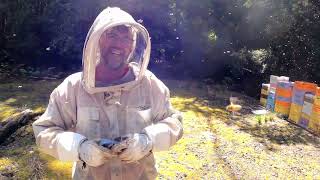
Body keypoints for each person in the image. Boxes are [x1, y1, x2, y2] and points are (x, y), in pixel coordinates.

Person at [32, 7, 183, 180]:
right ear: (97, 39)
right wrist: (79, 148)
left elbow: (174, 123)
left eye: (127, 38)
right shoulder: (73, 87)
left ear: (134, 46)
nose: (120, 44)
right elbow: (44, 131)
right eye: (112, 35)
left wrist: (148, 141)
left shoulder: (149, 84)